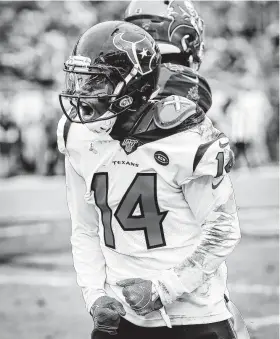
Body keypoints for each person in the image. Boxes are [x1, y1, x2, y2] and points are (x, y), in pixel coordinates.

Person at [57, 20, 241, 339]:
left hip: (194, 318)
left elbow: (223, 230)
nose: (82, 96)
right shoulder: (76, 135)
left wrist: (163, 290)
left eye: (95, 84)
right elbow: (85, 227)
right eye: (80, 81)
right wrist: (94, 294)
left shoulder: (186, 139)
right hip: (120, 319)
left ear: (133, 88)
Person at [124, 1, 250, 337]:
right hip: (185, 297)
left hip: (126, 276)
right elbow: (224, 227)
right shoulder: (183, 97)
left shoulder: (110, 100)